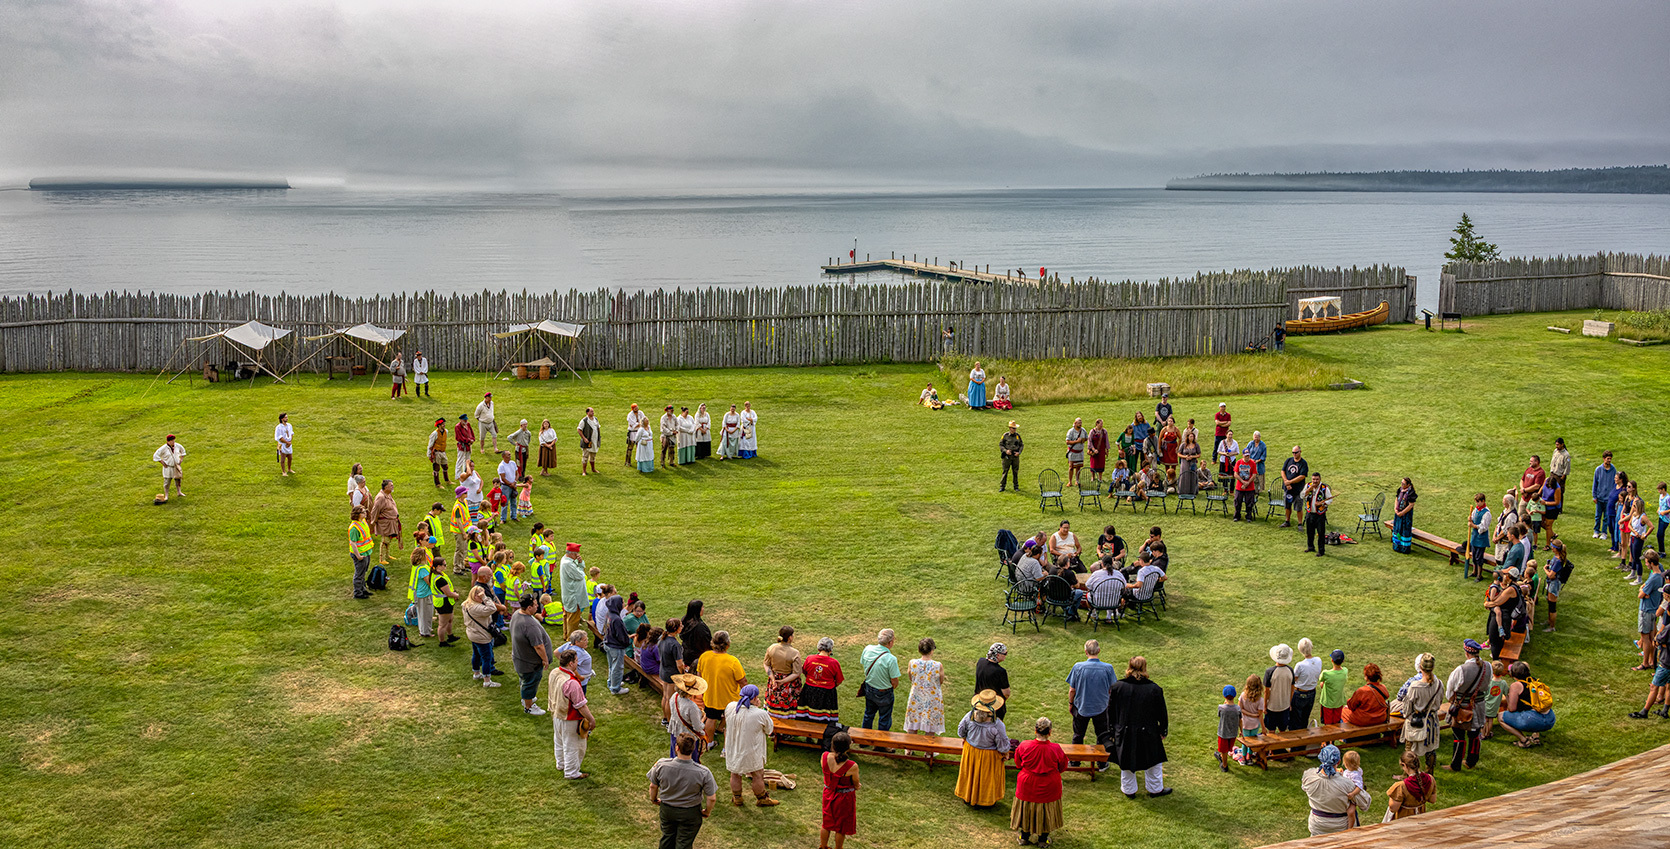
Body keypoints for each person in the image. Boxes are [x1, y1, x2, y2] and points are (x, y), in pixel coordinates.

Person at [1108, 655, 1170, 799]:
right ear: (1144, 668)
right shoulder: (1154, 689)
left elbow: (1110, 711)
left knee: (1127, 761)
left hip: (1125, 731)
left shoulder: (1118, 687)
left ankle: (1129, 790)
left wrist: (1112, 730)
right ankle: (1155, 789)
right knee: (1153, 761)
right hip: (1148, 731)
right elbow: (1162, 713)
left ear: (1129, 667)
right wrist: (1163, 730)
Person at [651, 734, 717, 849]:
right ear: (693, 749)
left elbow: (653, 786)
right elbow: (711, 798)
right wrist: (707, 811)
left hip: (667, 809)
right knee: (684, 843)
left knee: (667, 838)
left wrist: (654, 799)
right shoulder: (703, 772)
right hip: (690, 812)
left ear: (677, 747)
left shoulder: (661, 765)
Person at [1012, 716, 1067, 845]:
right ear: (1050, 732)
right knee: (1047, 811)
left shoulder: (1024, 745)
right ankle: (1043, 840)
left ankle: (1024, 837)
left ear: (1035, 730)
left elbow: (1018, 763)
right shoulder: (1056, 748)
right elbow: (1063, 766)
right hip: (1049, 785)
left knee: (1025, 810)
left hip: (1027, 784)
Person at [721, 685, 779, 807]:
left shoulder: (730, 707)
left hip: (733, 748)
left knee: (735, 773)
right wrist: (757, 708)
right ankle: (762, 798)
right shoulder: (759, 714)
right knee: (757, 775)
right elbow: (769, 730)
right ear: (755, 697)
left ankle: (737, 798)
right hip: (751, 750)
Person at [954, 690, 1011, 808]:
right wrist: (1005, 753)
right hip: (988, 756)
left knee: (970, 774)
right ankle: (985, 801)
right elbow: (1002, 746)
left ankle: (968, 796)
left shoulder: (969, 716)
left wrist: (967, 739)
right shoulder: (997, 725)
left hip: (970, 751)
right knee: (986, 778)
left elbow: (961, 731)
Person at [1066, 639, 1117, 769]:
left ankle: (1074, 761)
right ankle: (1102, 763)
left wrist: (1070, 703)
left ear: (1085, 652)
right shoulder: (1108, 668)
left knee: (1078, 734)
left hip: (1081, 706)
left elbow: (1072, 689)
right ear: (1099, 651)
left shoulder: (1078, 667)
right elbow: (1113, 689)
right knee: (1102, 735)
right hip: (1101, 707)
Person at [1301, 745, 1371, 836]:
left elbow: (1305, 787)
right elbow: (1365, 803)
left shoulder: (1308, 776)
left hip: (1317, 826)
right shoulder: (1346, 784)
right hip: (1339, 828)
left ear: (1321, 759)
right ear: (1338, 761)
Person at [1445, 639, 1493, 771]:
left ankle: (1455, 765)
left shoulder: (1461, 670)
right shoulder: (1488, 666)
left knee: (1458, 735)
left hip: (1463, 707)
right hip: (1479, 705)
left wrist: (1453, 701)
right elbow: (1487, 685)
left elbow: (1449, 691)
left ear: (1467, 653)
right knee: (1474, 734)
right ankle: (1471, 761)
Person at [1394, 653, 1446, 773]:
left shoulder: (1415, 687)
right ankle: (1430, 775)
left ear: (1420, 668)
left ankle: (1407, 777)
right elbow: (1439, 701)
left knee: (1409, 751)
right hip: (1431, 722)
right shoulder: (1439, 684)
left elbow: (1407, 709)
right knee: (1431, 749)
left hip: (1415, 722)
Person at [549, 648, 594, 779]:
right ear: (571, 663)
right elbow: (581, 705)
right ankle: (571, 772)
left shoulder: (554, 672)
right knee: (574, 746)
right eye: (576, 661)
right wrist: (591, 719)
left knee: (559, 741)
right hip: (570, 718)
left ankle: (561, 764)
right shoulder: (572, 683)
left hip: (556, 713)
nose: (577, 663)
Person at [697, 631, 747, 741]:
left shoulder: (704, 657)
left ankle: (709, 742)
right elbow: (743, 681)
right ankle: (728, 744)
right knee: (730, 720)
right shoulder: (733, 661)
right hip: (729, 699)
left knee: (710, 718)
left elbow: (699, 676)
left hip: (711, 696)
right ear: (728, 644)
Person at [511, 596, 552, 716]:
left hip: (521, 658)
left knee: (525, 680)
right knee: (530, 682)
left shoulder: (517, 614)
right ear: (529, 607)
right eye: (535, 605)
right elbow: (538, 646)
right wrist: (545, 659)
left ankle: (527, 698)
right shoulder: (529, 625)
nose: (538, 606)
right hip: (530, 662)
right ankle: (528, 706)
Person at [1497, 661, 1555, 746]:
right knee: (1534, 705)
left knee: (1500, 717)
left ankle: (1524, 740)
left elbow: (1512, 709)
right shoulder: (1534, 680)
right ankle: (1535, 735)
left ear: (1513, 674)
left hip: (1533, 719)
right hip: (1550, 718)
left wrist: (1508, 697)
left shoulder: (1516, 686)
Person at [819, 731, 860, 849]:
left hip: (828, 793)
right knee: (841, 827)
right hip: (844, 798)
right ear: (848, 747)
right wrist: (857, 786)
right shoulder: (852, 766)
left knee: (826, 823)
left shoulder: (824, 756)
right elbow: (856, 782)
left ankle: (823, 846)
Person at [461, 585, 507, 688]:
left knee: (476, 654)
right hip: (481, 636)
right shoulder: (477, 607)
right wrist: (485, 598)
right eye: (481, 595)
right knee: (487, 658)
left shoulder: (466, 604)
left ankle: (476, 674)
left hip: (473, 633)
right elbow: (492, 608)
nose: (483, 597)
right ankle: (487, 681)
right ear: (476, 596)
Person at [859, 630, 902, 732]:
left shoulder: (867, 649)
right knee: (884, 718)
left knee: (868, 715)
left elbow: (863, 663)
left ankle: (864, 740)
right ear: (890, 642)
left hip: (869, 687)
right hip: (884, 692)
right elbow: (894, 681)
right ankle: (880, 745)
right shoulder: (891, 659)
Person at [904, 637, 946, 734]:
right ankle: (928, 749)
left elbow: (911, 678)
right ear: (932, 651)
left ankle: (909, 749)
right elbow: (941, 681)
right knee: (931, 726)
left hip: (916, 696)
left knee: (913, 723)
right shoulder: (938, 665)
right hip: (932, 698)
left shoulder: (912, 663)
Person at [763, 626, 804, 720]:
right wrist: (782, 681)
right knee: (787, 706)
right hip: (789, 684)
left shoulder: (772, 648)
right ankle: (786, 731)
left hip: (774, 680)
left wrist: (773, 679)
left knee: (773, 701)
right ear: (790, 637)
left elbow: (766, 665)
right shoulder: (794, 653)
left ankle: (772, 727)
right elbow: (796, 673)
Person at [800, 637, 844, 723]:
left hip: (809, 689)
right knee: (824, 715)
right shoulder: (834, 663)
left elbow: (804, 671)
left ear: (818, 648)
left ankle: (808, 735)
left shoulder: (809, 658)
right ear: (831, 650)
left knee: (809, 713)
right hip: (827, 692)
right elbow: (839, 680)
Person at [1386, 750, 1437, 821]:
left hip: (1403, 821)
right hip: (1421, 818)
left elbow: (1393, 808)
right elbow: (1432, 800)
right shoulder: (1430, 779)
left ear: (1404, 765)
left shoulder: (1401, 786)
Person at [667, 674, 708, 760]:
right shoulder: (691, 707)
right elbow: (697, 727)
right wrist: (703, 719)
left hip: (675, 733)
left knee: (674, 757)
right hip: (688, 739)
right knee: (688, 761)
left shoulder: (674, 696)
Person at [1636, 552, 1665, 670]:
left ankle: (1645, 663)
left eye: (1647, 562)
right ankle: (1651, 660)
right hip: (1654, 608)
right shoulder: (1660, 572)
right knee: (1652, 636)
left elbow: (1641, 595)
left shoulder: (1653, 578)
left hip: (1646, 610)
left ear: (1651, 563)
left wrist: (1641, 590)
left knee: (1645, 636)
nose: (1646, 564)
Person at [601, 595, 633, 695]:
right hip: (616, 647)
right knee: (617, 668)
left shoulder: (609, 614)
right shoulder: (617, 619)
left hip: (608, 643)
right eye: (622, 602)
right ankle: (616, 688)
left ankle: (612, 682)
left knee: (611, 666)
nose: (624, 604)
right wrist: (627, 641)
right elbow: (621, 636)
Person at [1262, 644, 1295, 732]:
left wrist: (1264, 706)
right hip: (1285, 706)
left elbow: (1266, 691)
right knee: (1283, 731)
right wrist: (1290, 703)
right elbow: (1292, 690)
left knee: (1271, 731)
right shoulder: (1290, 670)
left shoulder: (1270, 672)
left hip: (1272, 707)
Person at [975, 643, 1012, 721]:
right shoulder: (1000, 672)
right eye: (1005, 653)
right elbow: (1006, 693)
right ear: (998, 655)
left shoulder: (980, 662)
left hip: (979, 703)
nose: (1006, 655)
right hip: (994, 707)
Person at [369, 479, 401, 566]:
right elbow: (375, 510)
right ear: (386, 487)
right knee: (385, 540)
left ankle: (387, 555)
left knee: (389, 539)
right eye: (391, 485)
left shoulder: (388, 494)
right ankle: (381, 558)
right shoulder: (381, 497)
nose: (393, 487)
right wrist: (373, 521)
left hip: (391, 522)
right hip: (384, 523)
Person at [1291, 638, 1321, 730]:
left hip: (1299, 693)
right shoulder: (1318, 660)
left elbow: (1293, 680)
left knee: (1295, 720)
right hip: (1311, 692)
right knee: (1304, 719)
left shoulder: (1300, 665)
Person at [1234, 674, 1264, 765]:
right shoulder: (1260, 700)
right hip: (1255, 724)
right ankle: (1249, 757)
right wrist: (1263, 727)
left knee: (1245, 742)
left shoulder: (1243, 695)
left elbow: (1240, 709)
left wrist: (1248, 714)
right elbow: (1260, 715)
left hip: (1245, 723)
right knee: (1252, 742)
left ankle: (1243, 758)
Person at [1302, 472, 1333, 556]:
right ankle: (1310, 547)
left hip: (1320, 514)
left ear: (1320, 479)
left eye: (1317, 479)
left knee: (1321, 533)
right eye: (1313, 479)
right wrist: (1308, 490)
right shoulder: (1308, 485)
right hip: (1309, 513)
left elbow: (1330, 500)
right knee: (1310, 532)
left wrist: (1322, 504)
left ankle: (1321, 551)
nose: (1315, 481)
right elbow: (1302, 496)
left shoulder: (1324, 488)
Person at [1543, 539, 1570, 632]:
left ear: (1556, 548)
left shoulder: (1558, 561)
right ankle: (1549, 621)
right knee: (1549, 601)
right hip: (1551, 583)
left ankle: (1552, 626)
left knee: (1552, 606)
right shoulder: (1556, 557)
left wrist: (1545, 569)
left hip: (1554, 584)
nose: (1551, 548)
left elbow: (1551, 575)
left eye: (1552, 546)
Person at [1279, 445, 1309, 527]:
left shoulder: (1303, 463)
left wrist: (1290, 482)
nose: (1294, 454)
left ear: (1300, 452)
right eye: (1293, 452)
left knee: (1298, 507)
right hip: (1288, 489)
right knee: (1287, 506)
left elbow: (1302, 476)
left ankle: (1300, 523)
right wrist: (1286, 481)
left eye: (1296, 452)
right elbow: (1283, 471)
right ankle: (1287, 521)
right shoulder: (1288, 460)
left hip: (1298, 490)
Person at [348, 507, 374, 599]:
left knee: (363, 572)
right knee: (359, 574)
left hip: (366, 552)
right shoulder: (354, 528)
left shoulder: (363, 522)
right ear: (358, 514)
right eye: (363, 512)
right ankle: (358, 593)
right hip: (360, 554)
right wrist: (358, 556)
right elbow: (353, 543)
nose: (365, 513)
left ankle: (363, 589)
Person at [1594, 450, 1618, 544]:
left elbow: (1614, 483)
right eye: (1608, 459)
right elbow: (1595, 483)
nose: (1609, 460)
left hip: (1609, 498)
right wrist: (1594, 496)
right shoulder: (1598, 470)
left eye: (1610, 459)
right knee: (1598, 515)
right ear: (1604, 459)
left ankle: (1604, 532)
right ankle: (1596, 531)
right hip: (1599, 496)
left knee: (1606, 517)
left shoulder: (1613, 470)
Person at [152, 433, 187, 499]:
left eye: (174, 440)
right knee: (167, 481)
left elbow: (183, 451)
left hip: (176, 466)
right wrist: (162, 462)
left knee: (178, 480)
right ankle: (166, 495)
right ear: (168, 441)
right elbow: (156, 456)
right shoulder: (163, 448)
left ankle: (179, 492)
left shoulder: (178, 446)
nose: (173, 442)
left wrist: (181, 459)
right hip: (168, 467)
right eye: (172, 441)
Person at [1215, 684, 1241, 772]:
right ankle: (1222, 757)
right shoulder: (1237, 709)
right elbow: (1240, 720)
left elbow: (1219, 715)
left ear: (1224, 696)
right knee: (1228, 748)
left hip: (1223, 732)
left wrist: (1224, 703)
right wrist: (1241, 730)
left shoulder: (1221, 708)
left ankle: (1224, 765)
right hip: (1233, 733)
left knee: (1224, 749)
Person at [1467, 493, 1492, 581]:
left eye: (1478, 502)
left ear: (1483, 501)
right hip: (1475, 536)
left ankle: (1479, 574)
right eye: (1476, 502)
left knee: (1479, 557)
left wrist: (1473, 525)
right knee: (1474, 555)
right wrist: (1470, 519)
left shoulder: (1486, 513)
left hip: (1481, 538)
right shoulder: (1476, 510)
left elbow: (1484, 527)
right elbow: (1473, 517)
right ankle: (1474, 571)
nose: (1477, 504)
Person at [1319, 649, 1348, 725]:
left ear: (1332, 660)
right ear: (1343, 661)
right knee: (1337, 724)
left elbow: (1321, 682)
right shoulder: (1345, 671)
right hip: (1339, 702)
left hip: (1327, 704)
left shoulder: (1326, 673)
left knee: (1328, 725)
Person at [1391, 477, 1418, 553]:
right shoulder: (1400, 490)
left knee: (1404, 530)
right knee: (1397, 529)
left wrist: (1402, 513)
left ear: (1408, 485)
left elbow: (1411, 505)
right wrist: (1396, 509)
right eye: (1401, 483)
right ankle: (1397, 546)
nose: (1402, 485)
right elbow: (1396, 499)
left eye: (1404, 484)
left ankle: (1404, 548)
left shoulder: (1411, 493)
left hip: (1406, 516)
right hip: (1398, 514)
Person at [1232, 447, 1258, 521]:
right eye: (1246, 455)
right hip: (1240, 486)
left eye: (1248, 455)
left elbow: (1254, 474)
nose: (1247, 457)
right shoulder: (1239, 462)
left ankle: (1249, 516)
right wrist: (1242, 482)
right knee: (1237, 501)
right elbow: (1235, 474)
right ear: (1243, 455)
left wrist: (1247, 483)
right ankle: (1237, 516)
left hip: (1250, 486)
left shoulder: (1252, 463)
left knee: (1249, 502)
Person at [999, 421, 1025, 493]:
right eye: (1013, 428)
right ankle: (1002, 486)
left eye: (1015, 428)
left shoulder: (1018, 436)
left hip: (1015, 457)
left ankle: (1016, 486)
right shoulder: (1005, 435)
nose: (1015, 429)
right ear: (1010, 428)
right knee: (1005, 471)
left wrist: (1019, 453)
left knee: (1015, 472)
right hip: (1007, 457)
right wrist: (1005, 451)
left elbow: (1021, 445)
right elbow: (1001, 445)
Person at [574, 407, 599, 476]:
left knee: (593, 456)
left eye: (593, 411)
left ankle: (593, 469)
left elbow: (598, 427)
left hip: (594, 441)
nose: (593, 413)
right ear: (587, 413)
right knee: (585, 456)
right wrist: (584, 438)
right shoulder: (584, 421)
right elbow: (579, 429)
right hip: (587, 442)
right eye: (591, 411)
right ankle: (584, 471)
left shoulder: (595, 419)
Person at [1064, 417, 1088, 488]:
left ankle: (1077, 481)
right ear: (1075, 423)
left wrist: (1083, 440)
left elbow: (1087, 438)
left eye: (1081, 423)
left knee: (1078, 467)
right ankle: (1070, 482)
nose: (1080, 424)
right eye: (1078, 423)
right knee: (1071, 467)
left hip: (1080, 452)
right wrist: (1076, 441)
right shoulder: (1071, 431)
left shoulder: (1083, 430)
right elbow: (1067, 441)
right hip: (1072, 452)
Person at [453, 414, 476, 480]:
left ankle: (466, 472)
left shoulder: (468, 424)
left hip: (468, 445)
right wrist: (468, 440)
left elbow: (471, 433)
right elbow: (460, 437)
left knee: (468, 460)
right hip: (462, 445)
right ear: (461, 420)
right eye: (464, 420)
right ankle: (457, 475)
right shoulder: (457, 426)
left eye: (466, 420)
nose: (466, 421)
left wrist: (472, 439)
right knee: (460, 460)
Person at [625, 403, 648, 467]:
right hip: (633, 432)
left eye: (637, 407)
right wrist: (640, 424)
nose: (636, 409)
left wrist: (640, 424)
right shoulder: (630, 415)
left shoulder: (641, 413)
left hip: (639, 431)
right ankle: (627, 461)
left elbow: (644, 421)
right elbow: (633, 425)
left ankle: (640, 460)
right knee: (630, 447)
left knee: (640, 447)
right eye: (635, 408)